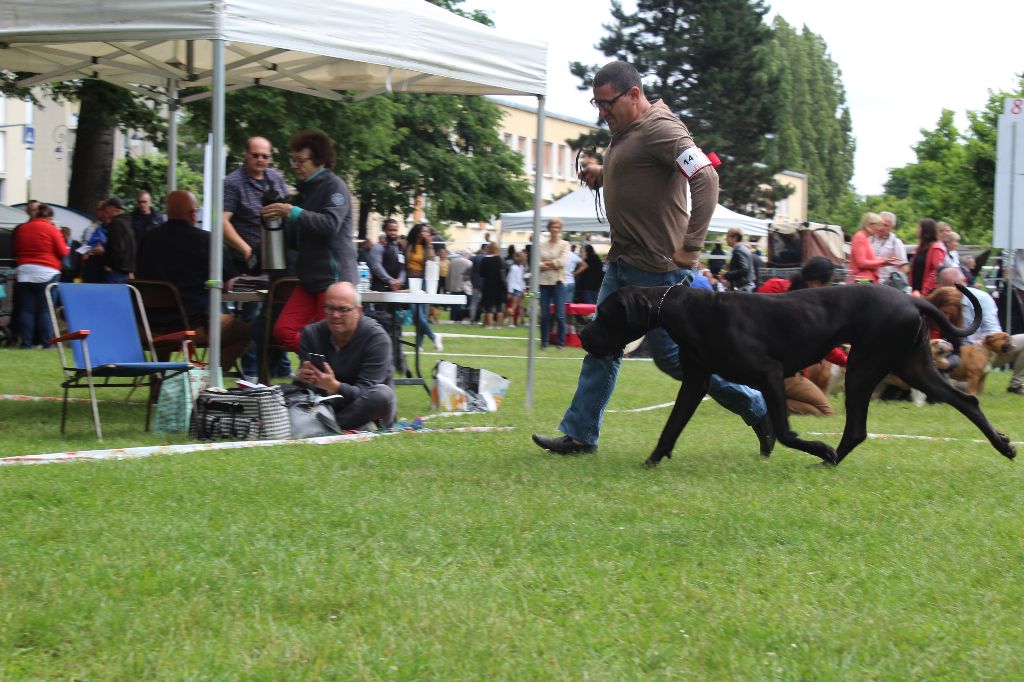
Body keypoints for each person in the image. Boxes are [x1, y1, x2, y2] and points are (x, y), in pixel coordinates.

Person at [532, 60, 772, 456]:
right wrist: (603, 173)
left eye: (607, 103)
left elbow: (706, 177)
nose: (602, 112)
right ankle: (580, 435)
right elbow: (640, 171)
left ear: (633, 94)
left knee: (676, 361)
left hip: (659, 273)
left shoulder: (661, 128)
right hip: (624, 264)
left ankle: (758, 407)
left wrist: (692, 245)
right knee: (602, 346)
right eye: (596, 104)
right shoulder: (627, 131)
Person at [136, 190, 252, 371]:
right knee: (242, 331)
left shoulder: (146, 240)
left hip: (148, 326)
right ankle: (210, 382)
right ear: (193, 214)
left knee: (165, 326)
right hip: (192, 326)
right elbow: (226, 284)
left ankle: (158, 382)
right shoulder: (207, 241)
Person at [264, 130, 357, 351]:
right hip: (309, 281)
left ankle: (325, 367)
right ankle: (320, 361)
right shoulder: (305, 191)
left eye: (300, 160)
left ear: (319, 160)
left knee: (324, 335)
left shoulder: (335, 187)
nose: (294, 165)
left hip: (334, 280)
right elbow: (299, 240)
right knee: (283, 330)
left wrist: (293, 212)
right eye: (292, 159)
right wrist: (277, 224)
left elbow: (330, 224)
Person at [296, 281, 397, 429]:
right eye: (330, 308)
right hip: (325, 406)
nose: (335, 315)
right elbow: (306, 391)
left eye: (343, 309)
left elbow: (365, 391)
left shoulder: (377, 339)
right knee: (280, 393)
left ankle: (327, 428)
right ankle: (330, 426)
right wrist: (302, 379)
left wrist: (335, 386)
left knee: (382, 395)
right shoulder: (311, 334)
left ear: (358, 311)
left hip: (363, 408)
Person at [12, 203, 68, 348]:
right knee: (45, 310)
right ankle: (45, 342)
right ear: (49, 217)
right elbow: (63, 252)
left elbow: (17, 249)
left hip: (24, 272)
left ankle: (26, 343)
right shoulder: (52, 229)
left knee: (26, 310)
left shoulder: (23, 228)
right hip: (47, 272)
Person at [402, 223, 442, 350]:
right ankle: (433, 336)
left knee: (421, 315)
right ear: (418, 232)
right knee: (416, 314)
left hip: (423, 281)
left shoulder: (427, 247)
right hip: (411, 281)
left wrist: (429, 244)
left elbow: (431, 261)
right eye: (425, 231)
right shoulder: (407, 245)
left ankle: (419, 344)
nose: (427, 234)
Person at [538, 218, 570, 348]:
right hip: (543, 282)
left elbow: (562, 262)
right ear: (549, 228)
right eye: (553, 226)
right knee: (545, 314)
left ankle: (560, 343)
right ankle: (544, 342)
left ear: (560, 229)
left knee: (560, 315)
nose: (555, 229)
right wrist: (552, 264)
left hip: (558, 282)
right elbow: (537, 262)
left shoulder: (565, 244)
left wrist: (546, 263)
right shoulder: (541, 244)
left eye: (557, 227)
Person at [93, 197, 136, 283]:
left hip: (116, 272)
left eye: (107, 208)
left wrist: (106, 258)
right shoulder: (127, 223)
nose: (105, 211)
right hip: (126, 272)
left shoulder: (116, 224)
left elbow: (117, 249)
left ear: (113, 208)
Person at [847, 212, 894, 283]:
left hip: (865, 280)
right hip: (862, 280)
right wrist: (883, 262)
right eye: (879, 225)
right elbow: (861, 263)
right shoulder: (860, 237)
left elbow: (869, 259)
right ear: (870, 225)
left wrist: (885, 261)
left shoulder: (865, 238)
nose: (880, 228)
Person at [870, 211, 909, 284]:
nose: (881, 227)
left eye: (886, 225)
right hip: (871, 280)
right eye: (880, 224)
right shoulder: (870, 239)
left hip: (888, 283)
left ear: (892, 227)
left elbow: (903, 266)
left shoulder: (896, 242)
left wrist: (898, 282)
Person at [910, 218, 945, 296]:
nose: (917, 230)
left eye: (919, 228)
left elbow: (936, 271)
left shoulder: (936, 249)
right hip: (916, 290)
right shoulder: (920, 248)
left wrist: (924, 291)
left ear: (926, 230)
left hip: (928, 293)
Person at [368, 218, 405, 292]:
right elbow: (376, 267)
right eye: (390, 230)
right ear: (384, 230)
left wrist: (400, 281)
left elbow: (403, 267)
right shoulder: (378, 247)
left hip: (396, 288)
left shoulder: (399, 247)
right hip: (380, 288)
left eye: (395, 230)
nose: (393, 233)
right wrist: (390, 281)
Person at [479, 241, 506, 328]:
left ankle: (489, 325)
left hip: (488, 285)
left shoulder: (485, 260)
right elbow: (503, 273)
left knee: (489, 305)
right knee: (499, 305)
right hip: (499, 284)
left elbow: (481, 274)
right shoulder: (500, 259)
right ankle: (499, 325)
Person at [718, 227, 756, 291]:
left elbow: (744, 269)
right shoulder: (742, 248)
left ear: (735, 238)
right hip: (746, 286)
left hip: (743, 288)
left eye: (727, 236)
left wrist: (727, 274)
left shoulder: (738, 250)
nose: (725, 239)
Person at [447, 249, 473, 322]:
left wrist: (448, 286)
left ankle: (452, 319)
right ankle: (460, 319)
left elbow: (448, 275)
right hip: (464, 287)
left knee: (454, 305)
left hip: (453, 286)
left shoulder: (452, 262)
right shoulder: (469, 263)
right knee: (465, 305)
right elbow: (469, 277)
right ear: (467, 255)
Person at [506, 250, 527, 326]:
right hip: (515, 289)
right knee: (513, 306)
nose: (525, 259)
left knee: (521, 306)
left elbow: (522, 279)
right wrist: (510, 292)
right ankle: (510, 322)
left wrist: (524, 288)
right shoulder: (514, 268)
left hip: (520, 289)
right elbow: (510, 280)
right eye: (524, 257)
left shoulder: (521, 267)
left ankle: (522, 321)